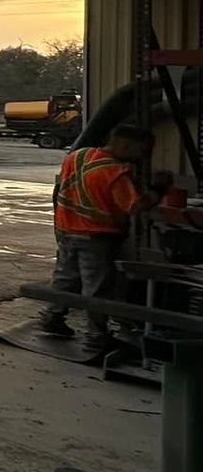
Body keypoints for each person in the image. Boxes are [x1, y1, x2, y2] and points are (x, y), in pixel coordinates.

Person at [41, 123, 166, 347]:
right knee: (96, 287)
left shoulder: (77, 157)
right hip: (96, 236)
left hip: (67, 230)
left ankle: (53, 317)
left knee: (64, 279)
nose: (143, 156)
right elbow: (135, 206)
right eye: (142, 150)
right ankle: (97, 335)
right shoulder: (115, 172)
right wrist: (159, 189)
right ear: (125, 145)